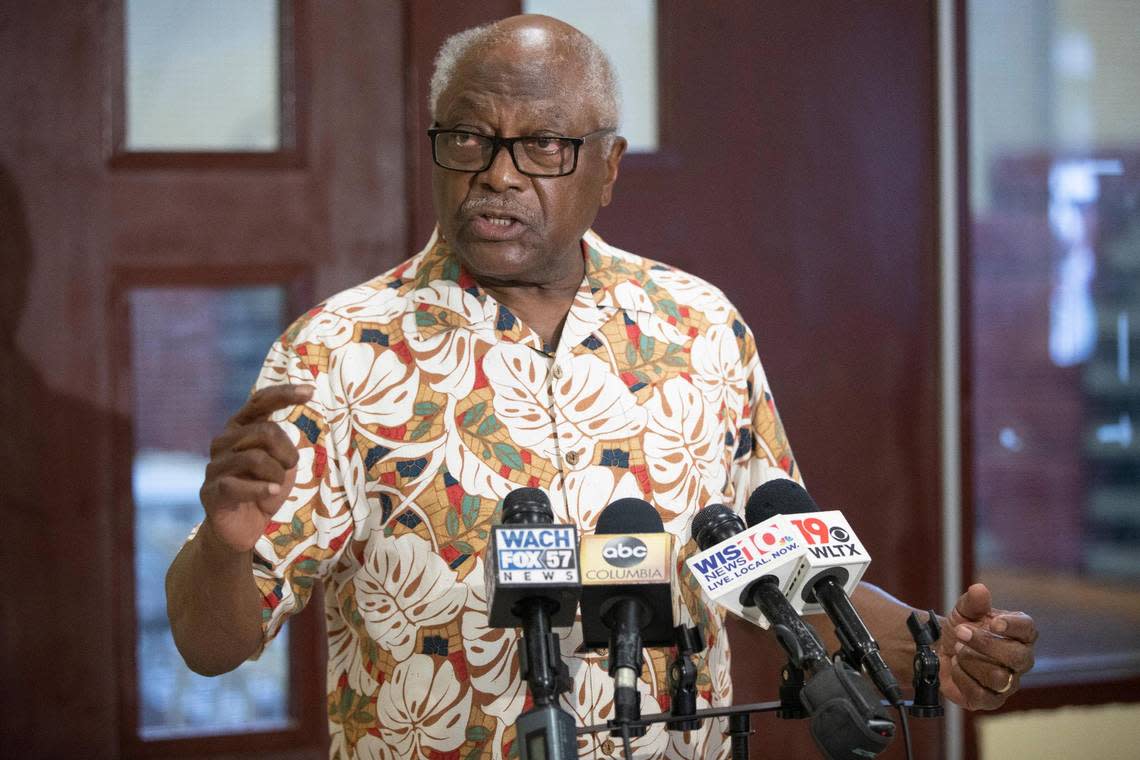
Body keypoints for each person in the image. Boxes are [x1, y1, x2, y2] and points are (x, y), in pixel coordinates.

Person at [166, 14, 1037, 759]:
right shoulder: (337, 352)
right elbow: (211, 645)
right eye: (469, 138)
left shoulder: (698, 328)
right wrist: (224, 546)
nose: (499, 174)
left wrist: (935, 646)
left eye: (543, 144)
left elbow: (774, 567)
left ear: (609, 168)